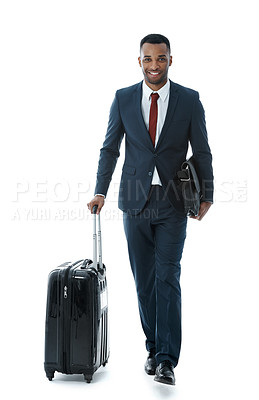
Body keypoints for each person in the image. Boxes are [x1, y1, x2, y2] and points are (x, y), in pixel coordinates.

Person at [87, 33, 213, 386]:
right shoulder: (124, 99)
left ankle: (166, 361)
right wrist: (100, 191)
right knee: (144, 281)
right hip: (135, 202)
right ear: (138, 61)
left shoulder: (189, 100)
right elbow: (109, 149)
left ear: (171, 60)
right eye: (148, 59)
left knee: (167, 277)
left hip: (174, 202)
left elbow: (202, 151)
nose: (154, 65)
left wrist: (209, 195)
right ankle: (153, 346)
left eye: (161, 58)